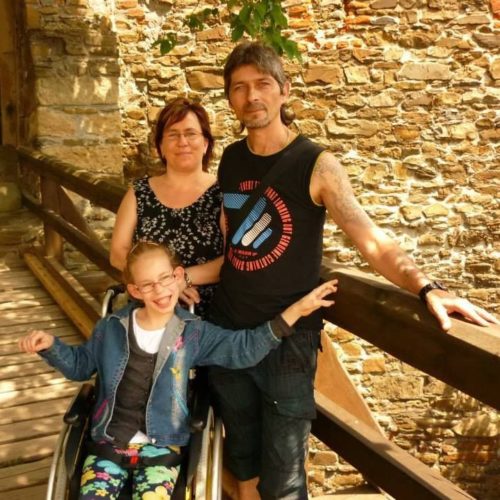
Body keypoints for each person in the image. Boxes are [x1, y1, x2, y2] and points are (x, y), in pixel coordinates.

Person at [207, 41, 500, 500]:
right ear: (229, 97)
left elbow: (371, 240)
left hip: (287, 343)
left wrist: (427, 287)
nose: (252, 96)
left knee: (284, 480)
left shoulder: (317, 165)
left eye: (262, 84)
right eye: (239, 88)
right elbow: (233, 242)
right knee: (241, 456)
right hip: (229, 330)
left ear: (284, 90)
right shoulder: (230, 159)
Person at [19, 241, 338, 500]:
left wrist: (296, 311)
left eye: (165, 279)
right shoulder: (112, 328)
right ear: (134, 291)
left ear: (178, 276)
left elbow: (244, 348)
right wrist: (51, 346)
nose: (159, 290)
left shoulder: (193, 332)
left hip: (161, 446)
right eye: (147, 284)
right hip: (108, 443)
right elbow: (79, 366)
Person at [110, 97, 223, 318]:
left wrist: (184, 279)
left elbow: (235, 258)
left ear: (206, 143)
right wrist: (161, 285)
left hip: (208, 314)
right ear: (161, 147)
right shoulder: (139, 192)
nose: (182, 142)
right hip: (150, 310)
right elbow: (117, 253)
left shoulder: (224, 194)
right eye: (173, 135)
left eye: (191, 133)